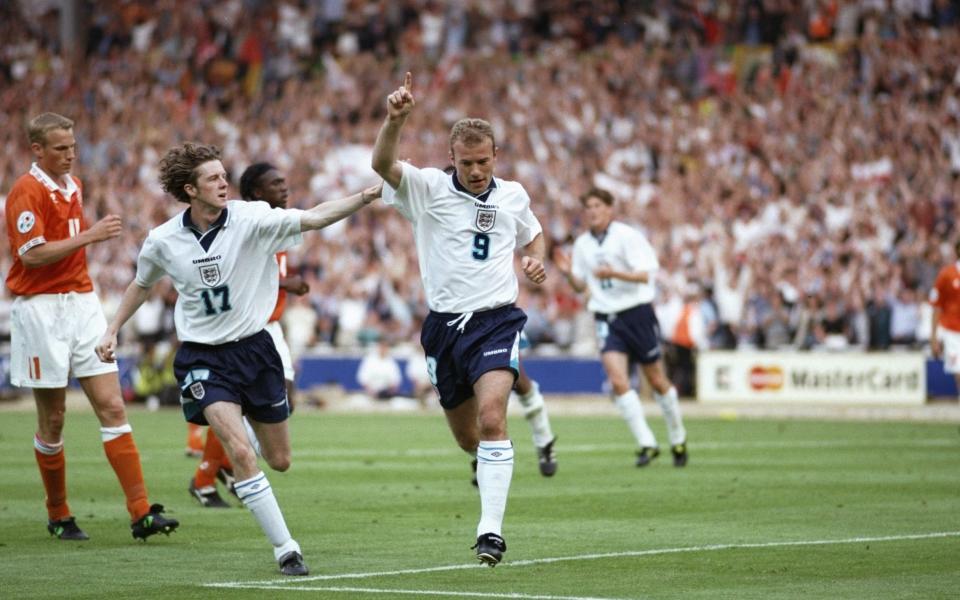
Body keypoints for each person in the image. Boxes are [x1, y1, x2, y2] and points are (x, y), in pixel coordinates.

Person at [96, 141, 381, 575]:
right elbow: (141, 283)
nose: (224, 182)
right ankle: (286, 549)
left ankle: (234, 456)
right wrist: (112, 328)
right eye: (213, 177)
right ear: (190, 189)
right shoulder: (163, 240)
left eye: (224, 175)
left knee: (279, 459)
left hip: (256, 350)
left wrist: (366, 195)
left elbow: (315, 217)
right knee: (241, 450)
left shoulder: (253, 218)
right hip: (202, 358)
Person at [372, 72, 547, 567]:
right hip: (444, 328)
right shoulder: (426, 188)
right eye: (466, 162)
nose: (475, 170)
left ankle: (490, 532)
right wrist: (395, 119)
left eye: (483, 161)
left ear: (496, 156)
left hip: (496, 320)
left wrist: (535, 259)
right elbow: (382, 163)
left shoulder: (512, 195)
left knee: (493, 418)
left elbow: (532, 235)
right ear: (451, 158)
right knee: (470, 436)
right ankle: (485, 466)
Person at [4, 112, 178, 541]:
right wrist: (90, 236)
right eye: (60, 148)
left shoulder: (74, 186)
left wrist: (88, 238)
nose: (70, 155)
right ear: (37, 150)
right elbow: (32, 255)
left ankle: (141, 512)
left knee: (114, 408)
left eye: (73, 147)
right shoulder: (25, 191)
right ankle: (58, 512)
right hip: (41, 309)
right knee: (55, 419)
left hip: (82, 304)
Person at [186, 162, 313, 509]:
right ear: (257, 193)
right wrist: (287, 284)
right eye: (276, 184)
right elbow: (234, 275)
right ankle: (210, 474)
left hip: (271, 328)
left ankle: (221, 468)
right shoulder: (246, 226)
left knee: (276, 406)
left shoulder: (278, 224)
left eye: (285, 182)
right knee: (245, 409)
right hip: (250, 332)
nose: (285, 188)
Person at [554, 187, 689, 468]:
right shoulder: (582, 245)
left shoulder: (627, 237)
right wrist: (568, 273)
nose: (592, 211)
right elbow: (582, 286)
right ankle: (647, 442)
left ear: (609, 209)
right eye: (588, 207)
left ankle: (678, 436)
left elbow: (645, 275)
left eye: (597, 206)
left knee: (656, 379)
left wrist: (613, 272)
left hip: (636, 312)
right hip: (606, 315)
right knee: (617, 381)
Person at [930, 240, 960, 396]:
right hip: (953, 332)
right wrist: (934, 337)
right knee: (958, 372)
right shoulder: (946, 275)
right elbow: (936, 306)